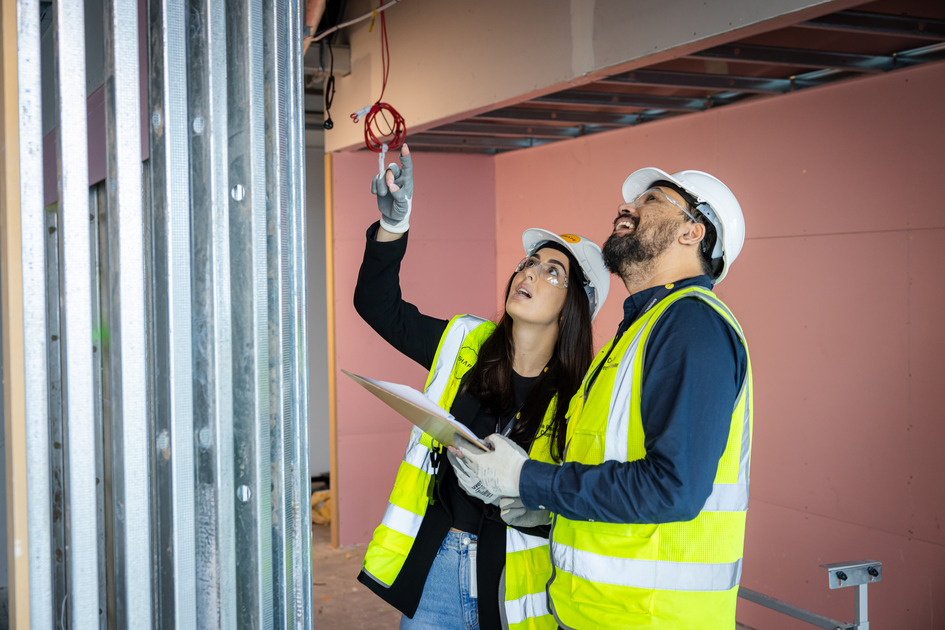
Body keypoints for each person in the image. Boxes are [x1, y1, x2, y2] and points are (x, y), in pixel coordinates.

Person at [453, 167, 752, 629]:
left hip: (651, 620)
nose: (626, 206)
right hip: (596, 614)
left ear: (693, 232)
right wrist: (542, 509)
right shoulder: (638, 332)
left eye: (651, 200)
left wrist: (528, 478)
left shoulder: (691, 327)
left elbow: (673, 489)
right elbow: (614, 474)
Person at [352, 144, 611, 630]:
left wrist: (534, 506)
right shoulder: (465, 343)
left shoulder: (585, 392)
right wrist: (394, 226)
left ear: (575, 305)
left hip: (515, 589)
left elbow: (593, 495)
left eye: (552, 271)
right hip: (436, 571)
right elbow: (376, 304)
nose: (529, 272)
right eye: (529, 262)